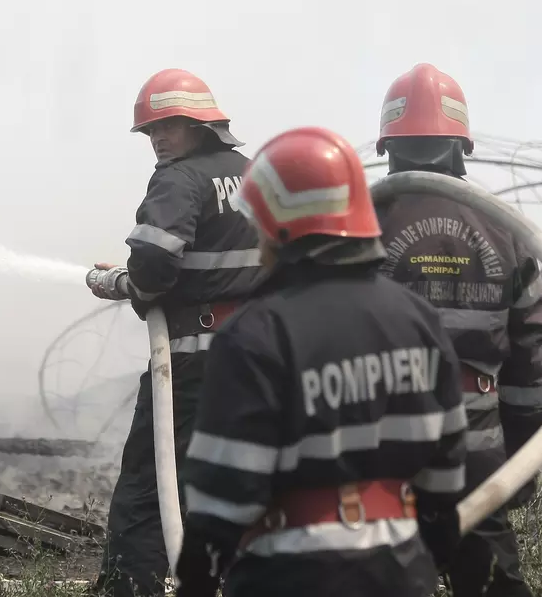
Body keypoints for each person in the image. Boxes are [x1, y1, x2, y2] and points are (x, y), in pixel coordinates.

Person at [173, 126, 467, 597]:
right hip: (403, 570)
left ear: (283, 227)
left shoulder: (254, 336)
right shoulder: (418, 320)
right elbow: (448, 467)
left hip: (291, 574)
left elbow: (222, 495)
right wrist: (427, 558)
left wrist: (197, 583)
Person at [372, 62, 542, 597]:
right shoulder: (506, 230)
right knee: (490, 573)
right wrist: (520, 456)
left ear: (388, 145)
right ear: (460, 146)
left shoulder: (357, 222)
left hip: (382, 442)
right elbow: (527, 354)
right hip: (477, 445)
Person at [87, 68, 263, 597]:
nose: (159, 140)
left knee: (146, 491)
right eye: (151, 132)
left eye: (170, 127)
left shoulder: (178, 179)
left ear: (200, 125)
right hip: (260, 362)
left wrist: (126, 283)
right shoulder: (255, 174)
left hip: (195, 365)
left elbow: (155, 264)